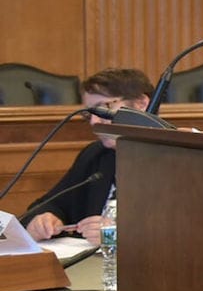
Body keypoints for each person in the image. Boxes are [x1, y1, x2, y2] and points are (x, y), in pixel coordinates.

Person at [22, 68, 154, 245]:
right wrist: (43, 220)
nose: (94, 121)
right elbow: (51, 204)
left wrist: (117, 236)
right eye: (89, 113)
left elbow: (182, 232)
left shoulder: (178, 159)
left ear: (140, 104)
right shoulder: (96, 155)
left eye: (103, 108)